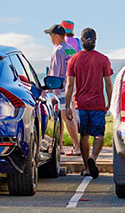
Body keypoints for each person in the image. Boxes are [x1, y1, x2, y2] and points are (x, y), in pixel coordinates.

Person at [65, 27, 113, 179]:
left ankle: (87, 167)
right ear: (95, 40)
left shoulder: (74, 60)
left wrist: (67, 106)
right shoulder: (103, 59)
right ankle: (93, 158)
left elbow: (69, 85)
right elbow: (108, 84)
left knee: (84, 135)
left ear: (81, 40)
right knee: (99, 135)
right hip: (98, 103)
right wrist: (109, 103)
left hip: (81, 104)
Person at [44, 23, 80, 156]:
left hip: (61, 89)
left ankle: (76, 147)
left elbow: (55, 72)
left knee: (66, 117)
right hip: (72, 88)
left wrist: (49, 89)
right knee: (69, 117)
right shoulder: (70, 49)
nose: (50, 38)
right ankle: (60, 146)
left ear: (57, 36)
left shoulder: (58, 50)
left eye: (51, 35)